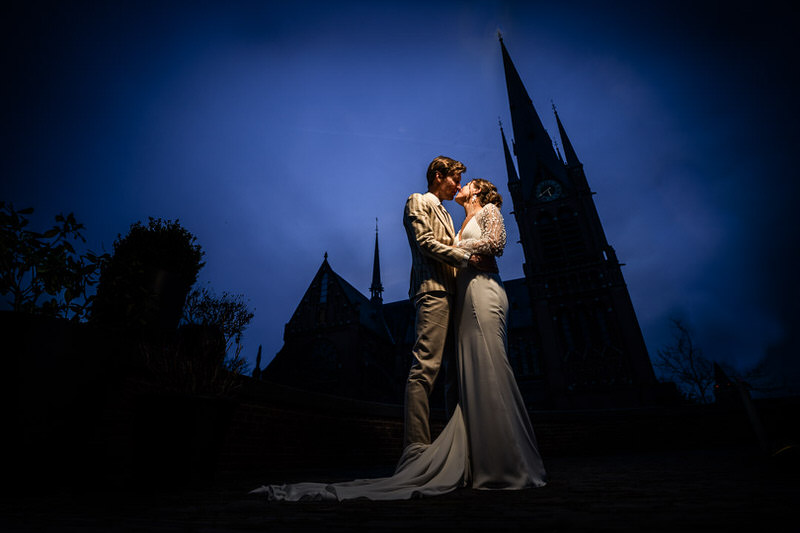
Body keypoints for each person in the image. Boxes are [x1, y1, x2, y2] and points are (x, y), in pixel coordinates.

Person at [249, 172, 545, 501]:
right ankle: (470, 456)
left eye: (467, 182)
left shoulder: (485, 212)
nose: (460, 185)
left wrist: (459, 247)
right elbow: (430, 246)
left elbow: (495, 244)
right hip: (454, 297)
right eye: (456, 179)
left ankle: (500, 458)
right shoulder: (442, 213)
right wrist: (460, 249)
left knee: (485, 369)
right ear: (439, 176)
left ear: (480, 192)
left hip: (478, 296)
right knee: (461, 373)